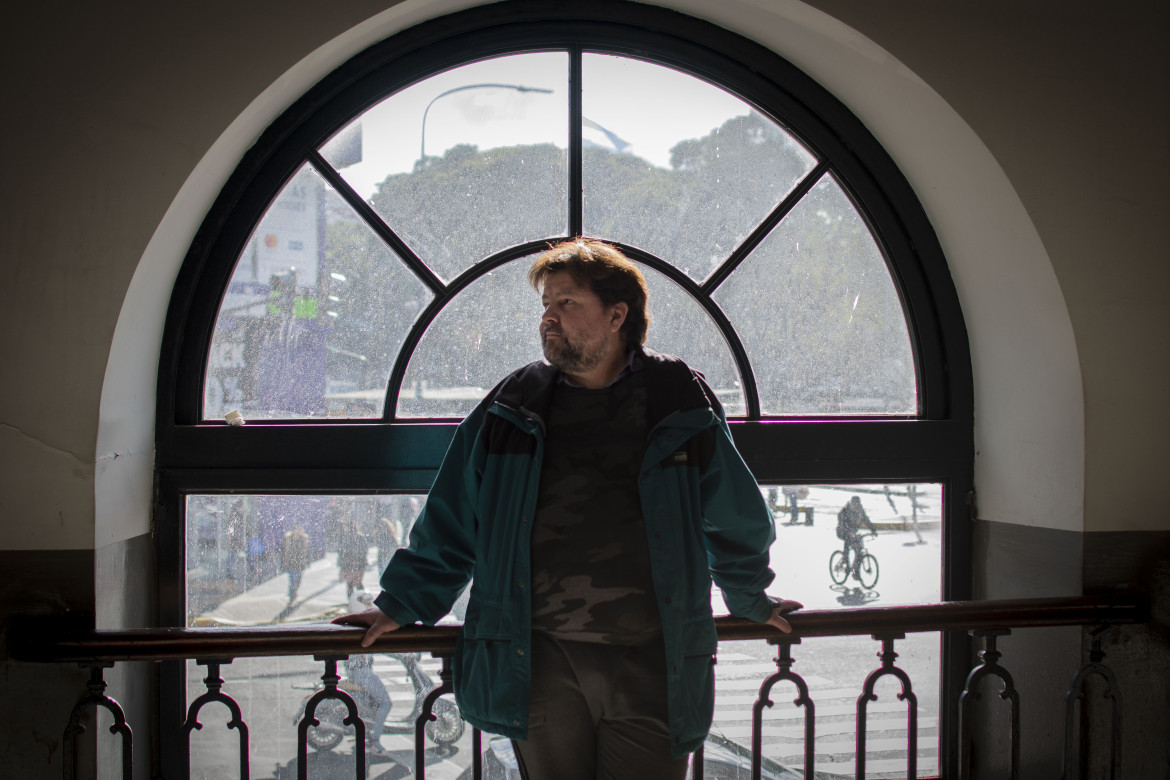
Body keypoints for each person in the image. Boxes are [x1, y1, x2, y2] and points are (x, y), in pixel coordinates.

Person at [334, 238, 801, 779]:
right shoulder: (515, 402)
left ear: (616, 315)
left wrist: (749, 596)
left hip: (654, 662)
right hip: (536, 663)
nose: (548, 318)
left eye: (566, 303)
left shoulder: (677, 396)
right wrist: (401, 603)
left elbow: (732, 510)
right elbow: (454, 514)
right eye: (545, 306)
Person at [344, 590, 392, 756]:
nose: (371, 605)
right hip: (361, 672)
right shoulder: (362, 625)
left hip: (359, 671)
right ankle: (375, 741)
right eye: (367, 602)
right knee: (386, 702)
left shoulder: (357, 623)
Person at [836, 495, 877, 579]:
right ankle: (846, 564)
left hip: (853, 533)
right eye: (854, 503)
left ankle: (855, 572)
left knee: (858, 550)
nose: (856, 505)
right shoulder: (845, 510)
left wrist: (873, 529)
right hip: (842, 531)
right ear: (852, 503)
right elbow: (842, 522)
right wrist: (848, 531)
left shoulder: (860, 511)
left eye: (857, 503)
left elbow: (866, 520)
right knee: (848, 541)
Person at [280, 521, 310, 602]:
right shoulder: (288, 539)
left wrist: (308, 562)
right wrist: (283, 563)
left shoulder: (304, 539)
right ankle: (291, 596)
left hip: (300, 564)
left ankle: (294, 592)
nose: (298, 532)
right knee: (292, 580)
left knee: (298, 581)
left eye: (300, 530)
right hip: (290, 563)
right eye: (297, 530)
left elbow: (307, 552)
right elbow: (283, 551)